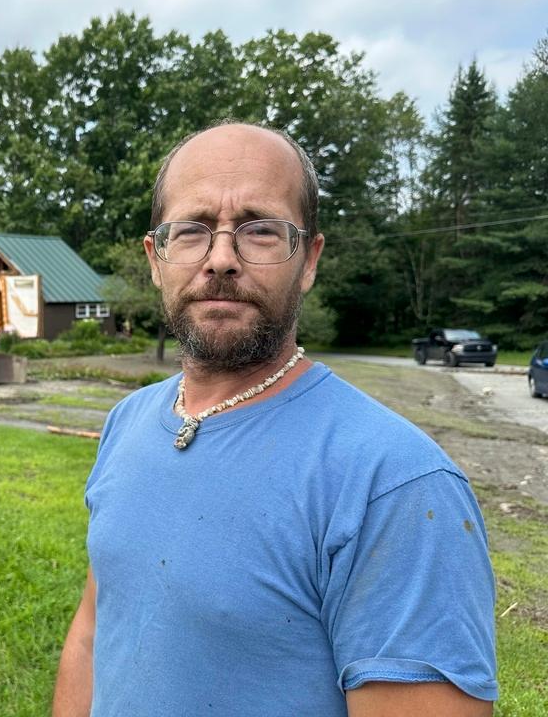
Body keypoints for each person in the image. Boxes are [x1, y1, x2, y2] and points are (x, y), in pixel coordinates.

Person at [52, 122, 497, 717]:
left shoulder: (395, 485)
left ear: (308, 259)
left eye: (260, 230)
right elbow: (93, 629)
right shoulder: (128, 423)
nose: (220, 260)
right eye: (192, 230)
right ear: (155, 259)